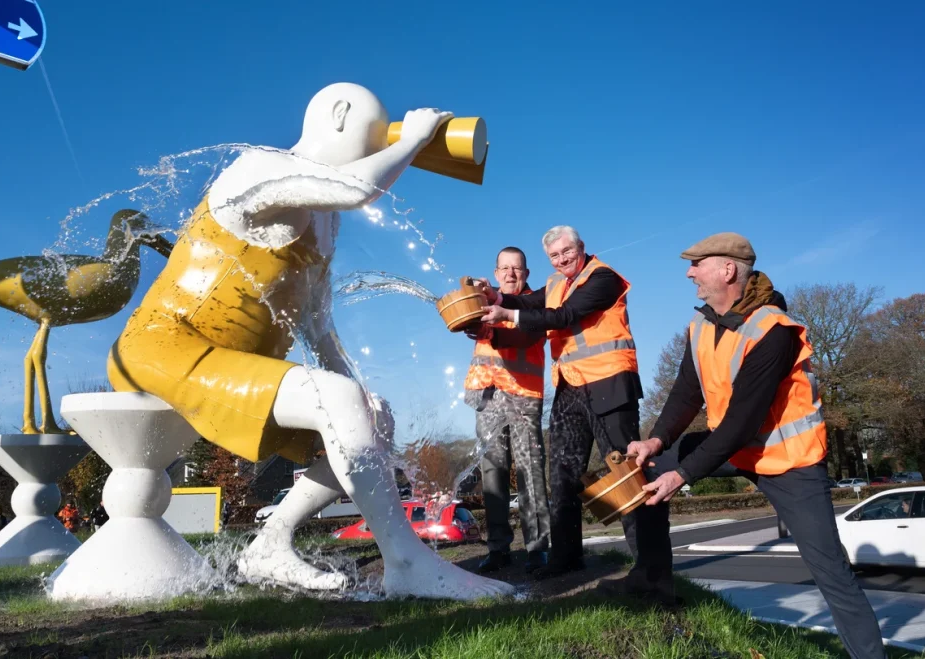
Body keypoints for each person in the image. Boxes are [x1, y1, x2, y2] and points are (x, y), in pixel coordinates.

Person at [106, 82, 510, 600]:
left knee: (371, 412)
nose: (374, 151)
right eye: (372, 137)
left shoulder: (325, 220)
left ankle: (270, 544)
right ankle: (406, 563)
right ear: (338, 114)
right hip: (160, 346)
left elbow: (316, 326)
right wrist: (411, 138)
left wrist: (354, 406)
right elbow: (357, 188)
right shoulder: (260, 167)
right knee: (342, 401)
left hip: (230, 361)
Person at [626, 232, 886, 658]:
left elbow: (742, 422)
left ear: (727, 270)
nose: (690, 272)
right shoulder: (701, 323)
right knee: (649, 468)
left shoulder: (773, 331)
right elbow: (685, 394)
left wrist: (684, 473)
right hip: (735, 448)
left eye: (697, 264)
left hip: (789, 462)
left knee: (832, 574)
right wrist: (656, 441)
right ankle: (652, 582)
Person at [479, 225, 652, 584]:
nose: (561, 261)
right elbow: (527, 301)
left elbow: (563, 317)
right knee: (562, 475)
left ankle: (648, 565)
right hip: (570, 389)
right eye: (554, 257)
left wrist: (506, 315)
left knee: (626, 474)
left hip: (610, 385)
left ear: (581, 248)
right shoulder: (556, 284)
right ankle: (566, 557)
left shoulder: (603, 278)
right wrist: (495, 299)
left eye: (566, 253)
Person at [464, 246, 551, 573]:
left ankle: (537, 548)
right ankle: (498, 549)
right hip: (486, 395)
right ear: (497, 274)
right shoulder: (482, 302)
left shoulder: (536, 305)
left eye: (517, 269)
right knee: (492, 474)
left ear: (526, 275)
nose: (511, 273)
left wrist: (490, 329)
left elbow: (527, 338)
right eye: (505, 268)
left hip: (524, 395)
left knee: (531, 471)